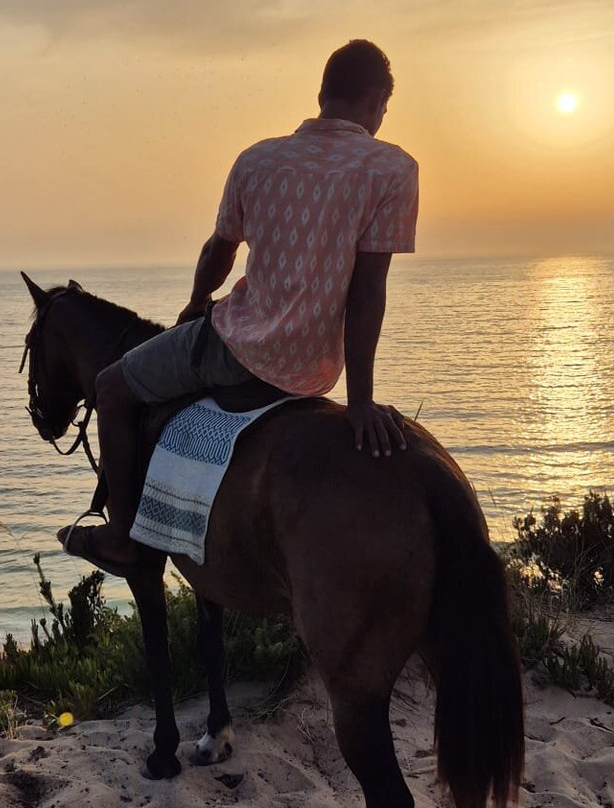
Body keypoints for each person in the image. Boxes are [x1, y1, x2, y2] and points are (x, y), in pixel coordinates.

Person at [61, 39, 420, 570]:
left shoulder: (257, 160)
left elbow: (219, 251)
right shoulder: (393, 169)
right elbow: (368, 290)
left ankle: (121, 538)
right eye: (384, 108)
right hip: (312, 369)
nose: (381, 118)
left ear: (322, 94)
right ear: (375, 100)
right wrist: (360, 401)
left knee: (112, 386)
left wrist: (195, 303)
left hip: (237, 352)